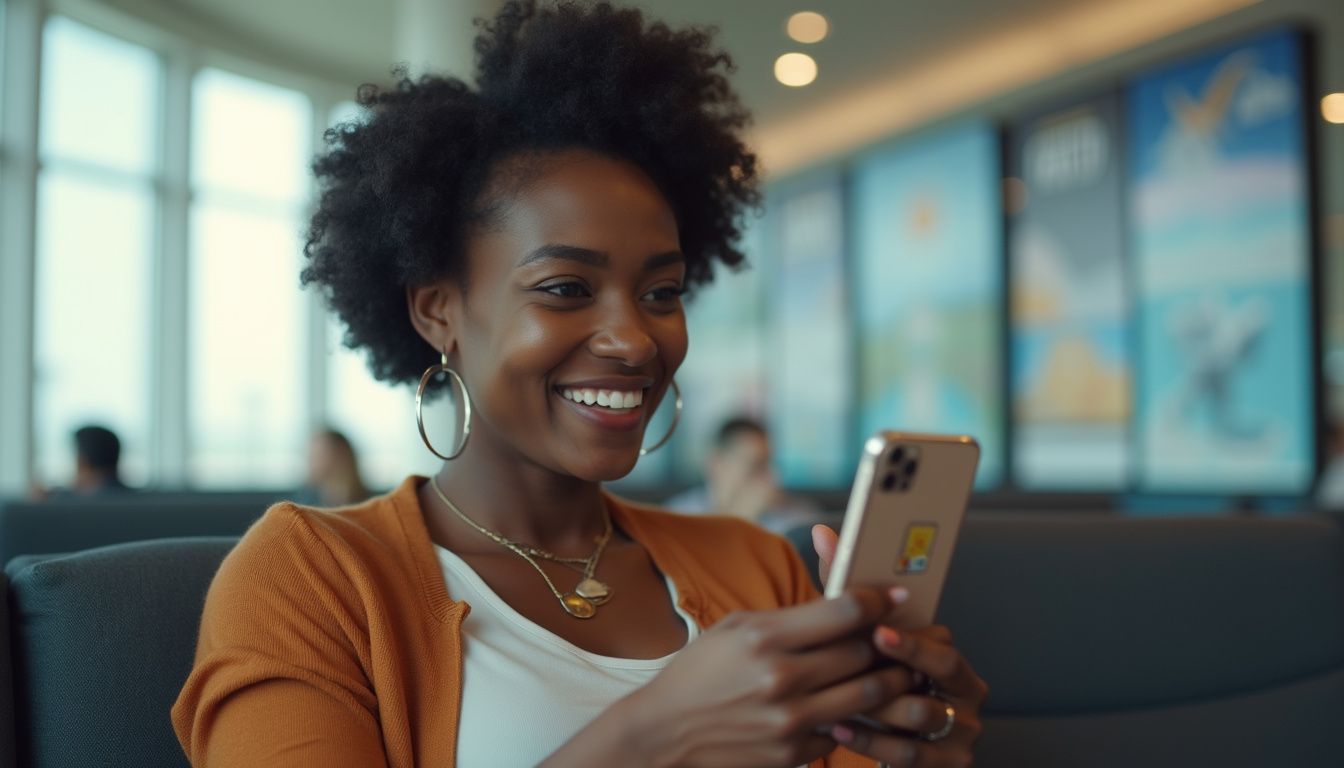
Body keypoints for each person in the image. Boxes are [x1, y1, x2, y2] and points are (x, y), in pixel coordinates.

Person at [172, 3, 987, 766]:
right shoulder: (309, 577)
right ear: (436, 310)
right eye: (564, 287)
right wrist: (654, 738)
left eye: (662, 293)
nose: (635, 339)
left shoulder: (754, 565)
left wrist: (919, 743)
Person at [665, 415, 824, 534]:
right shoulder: (677, 517)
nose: (772, 479)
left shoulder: (797, 519)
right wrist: (742, 519)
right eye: (755, 466)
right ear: (716, 464)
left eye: (769, 465)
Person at [294, 427, 371, 507]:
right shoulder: (304, 500)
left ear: (340, 457)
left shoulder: (370, 506)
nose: (310, 462)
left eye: (319, 455)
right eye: (311, 456)